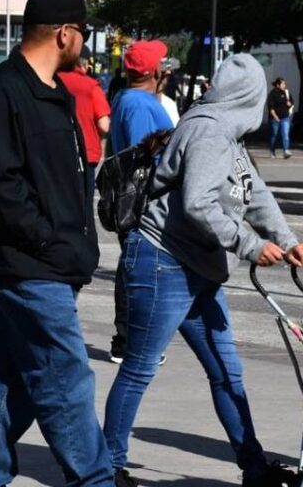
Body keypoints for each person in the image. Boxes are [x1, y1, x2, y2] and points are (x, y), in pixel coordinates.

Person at [102, 53, 303, 487]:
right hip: (164, 259)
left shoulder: (228, 134)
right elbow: (197, 203)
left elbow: (254, 194)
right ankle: (104, 470)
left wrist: (288, 240)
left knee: (226, 371)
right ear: (250, 97)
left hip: (199, 268)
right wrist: (251, 245)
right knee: (141, 366)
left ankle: (254, 469)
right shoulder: (207, 131)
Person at [0, 0, 114, 486]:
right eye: (84, 33)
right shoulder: (1, 91)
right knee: (66, 381)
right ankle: (97, 480)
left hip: (52, 263)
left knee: (6, 383)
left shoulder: (58, 94)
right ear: (65, 33)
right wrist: (49, 241)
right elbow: (0, 184)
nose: (85, 43)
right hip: (26, 266)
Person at [105, 39, 175, 364]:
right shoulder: (139, 105)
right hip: (145, 202)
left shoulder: (127, 98)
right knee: (139, 269)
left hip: (137, 199)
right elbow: (145, 154)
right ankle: (131, 341)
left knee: (134, 266)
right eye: (163, 63)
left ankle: (131, 340)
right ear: (155, 70)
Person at [60, 48, 111, 189]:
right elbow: (104, 125)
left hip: (58, 151)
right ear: (86, 63)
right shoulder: (91, 86)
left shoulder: (54, 80)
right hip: (86, 152)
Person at [267, 77, 293, 159]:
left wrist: (290, 104)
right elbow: (271, 108)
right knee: (274, 135)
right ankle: (272, 151)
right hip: (274, 118)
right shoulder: (272, 94)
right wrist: (275, 117)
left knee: (285, 134)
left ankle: (286, 151)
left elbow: (291, 102)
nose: (285, 85)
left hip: (285, 117)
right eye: (283, 84)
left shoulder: (286, 92)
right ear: (278, 85)